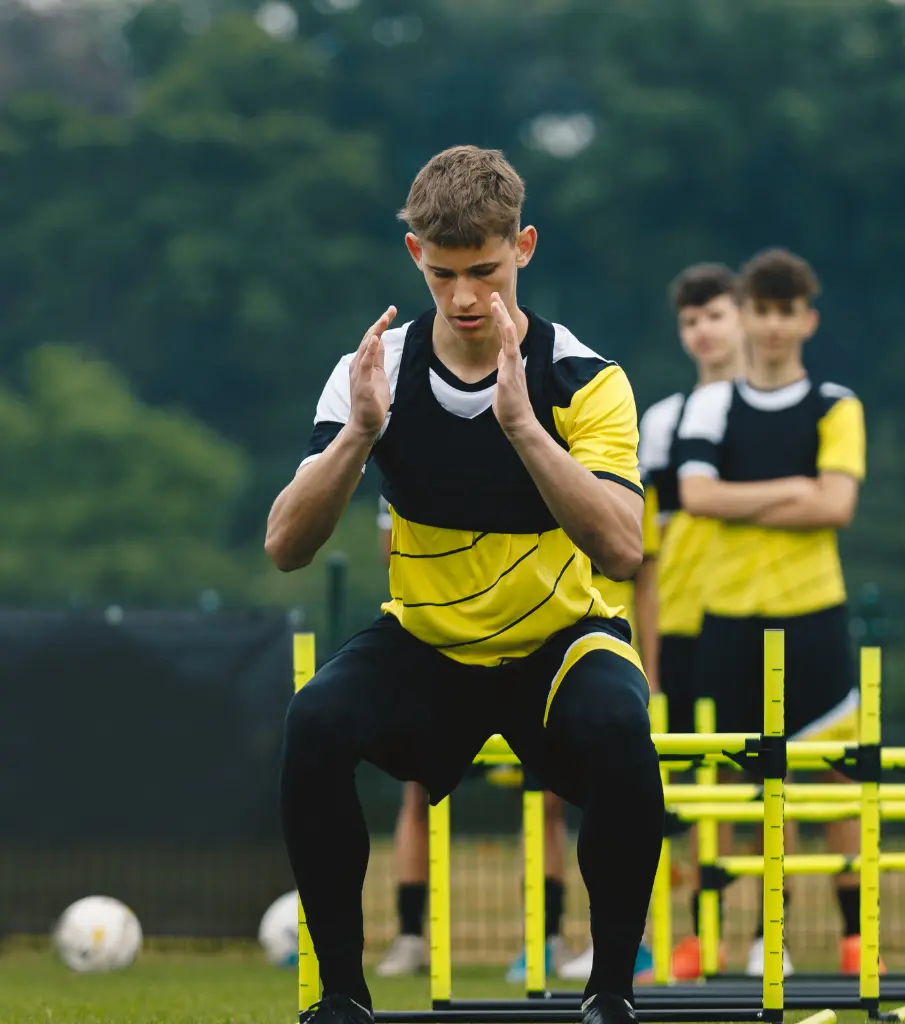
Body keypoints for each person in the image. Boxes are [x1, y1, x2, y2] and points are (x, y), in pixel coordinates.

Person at [267, 145, 660, 1024]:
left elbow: (623, 549)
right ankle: (342, 998)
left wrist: (524, 428)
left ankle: (609, 998)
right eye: (443, 274)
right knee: (314, 721)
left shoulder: (585, 379)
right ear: (415, 257)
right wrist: (358, 437)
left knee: (621, 725)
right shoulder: (372, 370)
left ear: (523, 246)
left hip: (561, 641)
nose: (466, 296)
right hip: (430, 645)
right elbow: (287, 545)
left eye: (484, 269)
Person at [676, 248, 869, 976]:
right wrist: (794, 489)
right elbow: (696, 498)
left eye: (788, 311)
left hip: (812, 613)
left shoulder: (836, 404)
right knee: (731, 785)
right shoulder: (710, 405)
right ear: (746, 315)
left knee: (832, 777)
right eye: (762, 310)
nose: (774, 324)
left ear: (807, 320)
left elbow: (837, 505)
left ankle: (854, 936)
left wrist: (747, 498)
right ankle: (744, 939)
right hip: (728, 618)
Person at [369, 493, 584, 984]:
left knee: (548, 798)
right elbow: (391, 551)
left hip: (528, 642)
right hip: (442, 645)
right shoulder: (407, 441)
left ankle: (548, 937)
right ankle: (409, 937)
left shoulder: (528, 433)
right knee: (417, 789)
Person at [634, 263, 746, 978]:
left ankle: (774, 935)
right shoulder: (662, 423)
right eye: (691, 321)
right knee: (679, 792)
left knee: (765, 782)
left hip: (760, 618)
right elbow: (643, 557)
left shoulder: (778, 414)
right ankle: (691, 937)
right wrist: (644, 659)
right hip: (680, 627)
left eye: (716, 316)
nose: (704, 331)